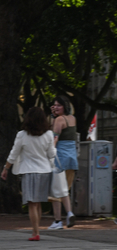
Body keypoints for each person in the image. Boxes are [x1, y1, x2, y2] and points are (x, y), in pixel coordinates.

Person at [1, 107, 56, 241]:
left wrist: (6, 168)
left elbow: (14, 153)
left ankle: (35, 232)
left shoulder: (22, 135)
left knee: (32, 203)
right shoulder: (48, 134)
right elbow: (51, 154)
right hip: (44, 171)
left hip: (29, 171)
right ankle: (37, 231)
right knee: (38, 203)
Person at [48, 95, 77, 229]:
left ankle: (58, 220)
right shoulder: (72, 119)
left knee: (55, 191)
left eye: (58, 105)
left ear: (64, 106)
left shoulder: (59, 119)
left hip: (60, 158)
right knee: (66, 190)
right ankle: (69, 213)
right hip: (72, 158)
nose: (56, 107)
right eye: (54, 105)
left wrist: (50, 153)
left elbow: (55, 138)